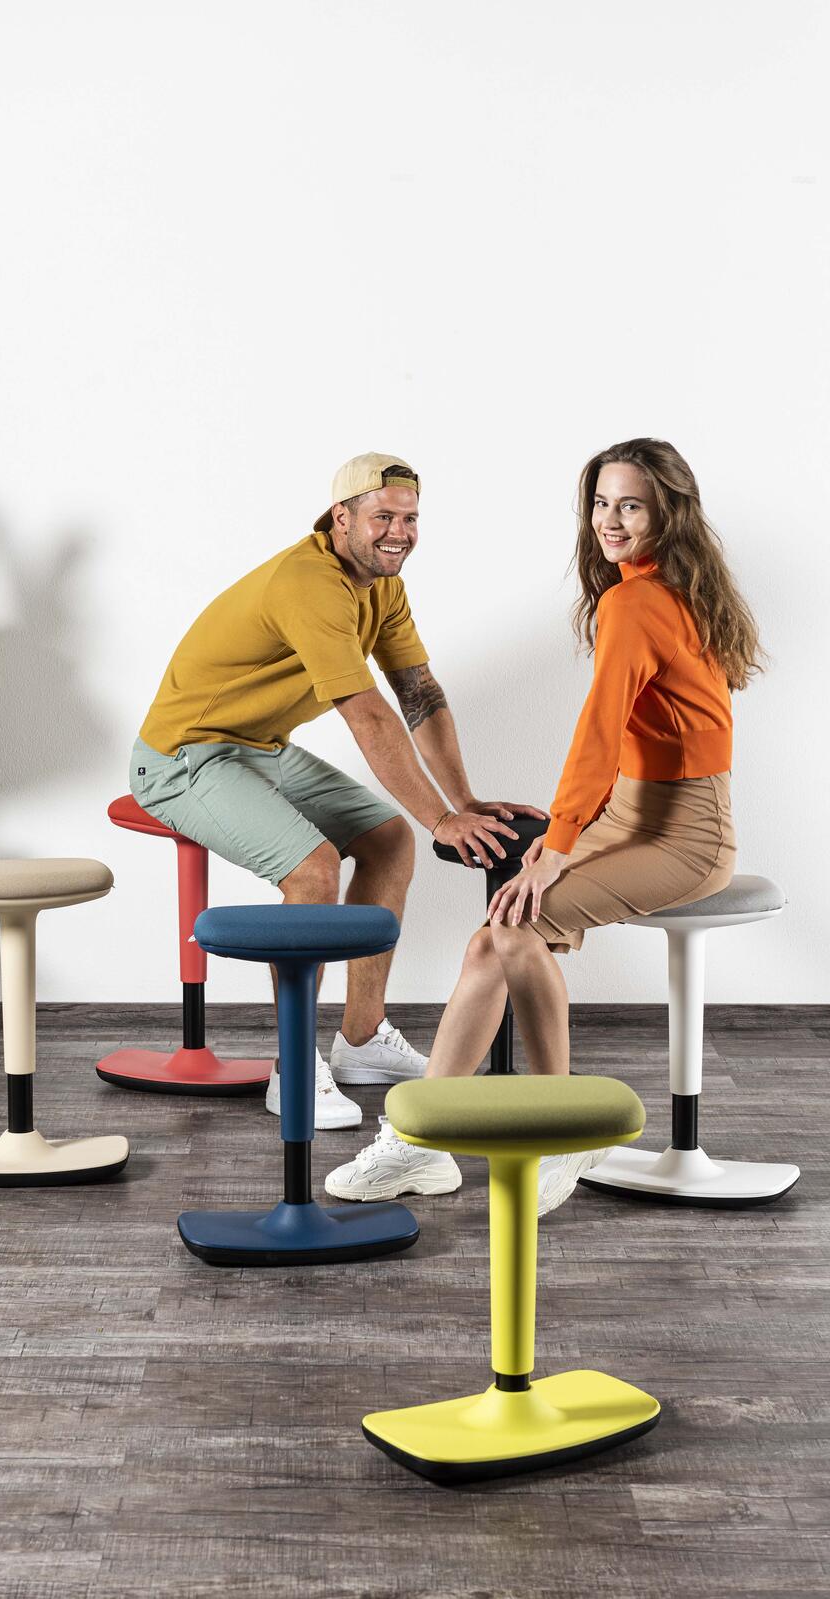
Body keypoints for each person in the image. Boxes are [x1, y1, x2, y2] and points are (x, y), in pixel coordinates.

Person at [327, 437, 762, 1210]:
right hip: (631, 813)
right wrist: (562, 840)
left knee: (516, 925)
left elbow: (597, 736)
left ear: (666, 512)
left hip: (683, 835)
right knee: (492, 936)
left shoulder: (637, 601)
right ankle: (421, 1143)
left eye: (630, 505)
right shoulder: (666, 585)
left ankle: (553, 1130)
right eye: (600, 503)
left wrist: (554, 849)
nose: (610, 520)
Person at [130, 452, 546, 1128]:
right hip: (183, 756)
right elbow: (368, 715)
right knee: (313, 867)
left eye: (410, 518)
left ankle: (362, 1041)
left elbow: (418, 692)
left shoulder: (382, 586)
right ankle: (292, 1067)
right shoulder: (310, 583)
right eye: (383, 517)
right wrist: (440, 819)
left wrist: (462, 802)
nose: (399, 533)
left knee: (389, 838)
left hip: (259, 748)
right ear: (340, 518)